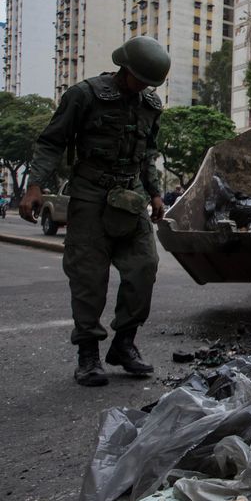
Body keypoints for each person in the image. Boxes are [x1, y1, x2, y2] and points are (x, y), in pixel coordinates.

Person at [19, 36, 171, 387]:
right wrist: (34, 186)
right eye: (141, 79)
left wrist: (156, 193)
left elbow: (148, 152)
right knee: (89, 278)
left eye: (151, 83)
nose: (145, 87)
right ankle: (88, 354)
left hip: (131, 197)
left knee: (144, 267)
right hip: (89, 194)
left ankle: (124, 345)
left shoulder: (150, 103)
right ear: (125, 69)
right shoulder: (84, 95)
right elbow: (51, 141)